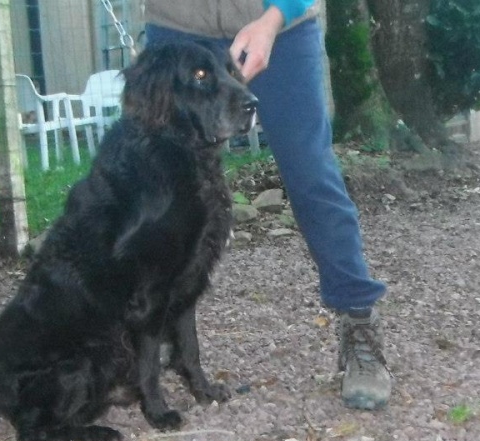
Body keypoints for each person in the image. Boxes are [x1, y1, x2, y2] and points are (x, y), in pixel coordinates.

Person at [143, 0, 392, 409]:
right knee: (151, 182)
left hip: (282, 25)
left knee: (311, 173)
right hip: (177, 28)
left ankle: (358, 323)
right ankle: (127, 347)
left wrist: (273, 19)